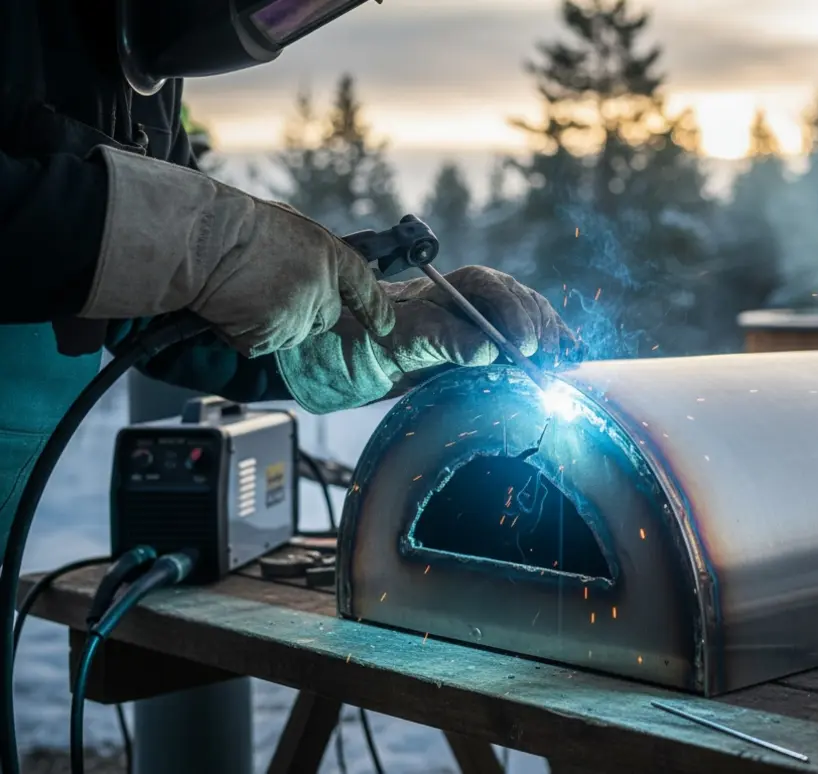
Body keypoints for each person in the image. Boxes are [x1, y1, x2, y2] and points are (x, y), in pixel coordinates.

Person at [0, 1, 575, 549]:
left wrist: (376, 333)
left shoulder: (137, 61)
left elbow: (161, 309)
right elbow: (163, 245)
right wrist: (196, 240)